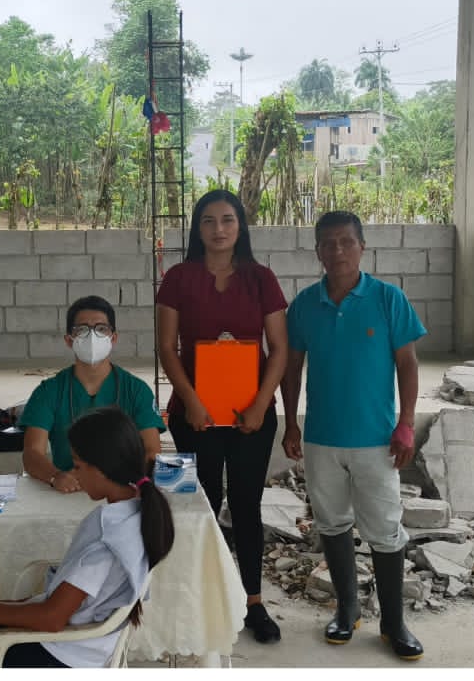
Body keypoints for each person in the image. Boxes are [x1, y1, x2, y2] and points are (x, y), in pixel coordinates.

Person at [0, 406, 174, 667]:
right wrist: (2, 609)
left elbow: (52, 618)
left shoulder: (109, 539)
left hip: (58, 653)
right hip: (76, 640)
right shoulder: (137, 511)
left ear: (103, 468)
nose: (74, 474)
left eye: (78, 466)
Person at [280, 210, 426, 661]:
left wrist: (406, 423)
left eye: (346, 242)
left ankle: (393, 623)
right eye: (328, 243)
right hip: (322, 438)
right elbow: (291, 368)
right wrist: (290, 422)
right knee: (332, 523)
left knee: (384, 528)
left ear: (363, 247)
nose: (338, 250)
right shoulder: (304, 305)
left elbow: (408, 364)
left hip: (376, 440)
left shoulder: (388, 299)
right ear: (318, 252)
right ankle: (347, 608)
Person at [154, 188, 288, 643]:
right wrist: (191, 400)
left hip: (252, 416)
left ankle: (253, 601)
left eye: (228, 220)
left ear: (241, 226)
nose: (218, 229)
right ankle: (203, 598)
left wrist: (260, 404)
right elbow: (166, 347)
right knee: (202, 505)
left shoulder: (261, 278)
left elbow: (279, 349)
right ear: (197, 228)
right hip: (195, 416)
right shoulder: (178, 278)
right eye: (208, 221)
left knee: (247, 506)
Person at [21, 295, 165, 493]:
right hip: (68, 490)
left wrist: (120, 479)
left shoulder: (136, 390)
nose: (92, 337)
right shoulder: (48, 391)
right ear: (69, 340)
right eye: (82, 330)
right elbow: (31, 453)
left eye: (101, 329)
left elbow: (152, 451)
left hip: (122, 490)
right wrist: (55, 476)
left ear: (113, 338)